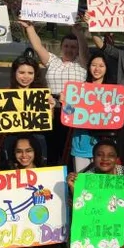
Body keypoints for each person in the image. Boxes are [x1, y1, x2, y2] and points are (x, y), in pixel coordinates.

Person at [0, 136, 66, 248]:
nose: (24, 156)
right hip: (14, 230)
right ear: (13, 153)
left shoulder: (47, 174)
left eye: (29, 151)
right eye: (19, 151)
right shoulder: (5, 172)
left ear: (36, 151)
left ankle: (39, 247)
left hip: (40, 225)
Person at [19, 20, 88, 164]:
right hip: (50, 109)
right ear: (61, 47)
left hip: (72, 111)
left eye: (73, 47)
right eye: (66, 46)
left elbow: (84, 48)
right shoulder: (53, 61)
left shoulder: (82, 63)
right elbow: (37, 47)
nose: (69, 49)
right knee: (50, 150)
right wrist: (30, 28)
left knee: (68, 150)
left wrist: (78, 33)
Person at [69, 51, 119, 173]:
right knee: (82, 181)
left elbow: (116, 116)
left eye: (101, 66)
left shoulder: (114, 92)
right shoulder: (78, 89)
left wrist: (123, 105)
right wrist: (66, 102)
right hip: (81, 143)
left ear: (107, 68)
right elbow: (69, 113)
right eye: (93, 65)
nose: (97, 69)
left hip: (104, 144)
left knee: (102, 181)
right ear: (88, 66)